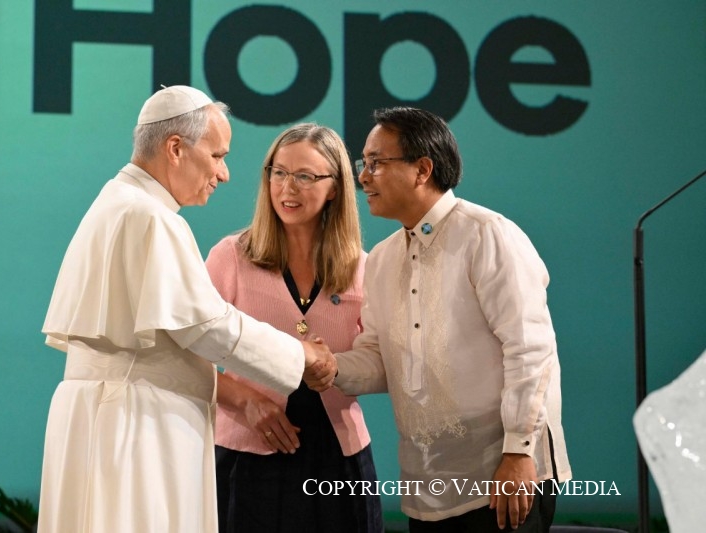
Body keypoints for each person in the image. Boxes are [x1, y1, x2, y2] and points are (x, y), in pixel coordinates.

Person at [37, 86, 335, 533]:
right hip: (137, 423)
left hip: (104, 415)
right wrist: (301, 355)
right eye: (217, 156)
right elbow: (207, 327)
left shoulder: (115, 202)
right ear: (176, 148)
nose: (224, 173)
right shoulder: (151, 217)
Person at [333, 107, 572, 532]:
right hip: (426, 488)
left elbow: (531, 350)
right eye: (362, 164)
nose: (363, 177)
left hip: (503, 478)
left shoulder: (488, 234)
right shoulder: (382, 259)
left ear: (422, 170)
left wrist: (519, 452)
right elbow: (378, 360)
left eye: (376, 163)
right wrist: (323, 366)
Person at [204, 123, 384, 532]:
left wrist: (335, 368)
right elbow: (182, 355)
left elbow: (381, 362)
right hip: (246, 457)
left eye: (305, 176)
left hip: (339, 462)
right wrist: (245, 401)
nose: (288, 187)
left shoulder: (365, 269)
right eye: (279, 172)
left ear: (335, 187)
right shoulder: (230, 257)